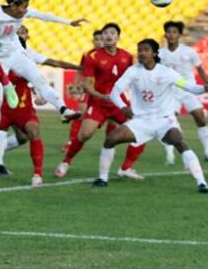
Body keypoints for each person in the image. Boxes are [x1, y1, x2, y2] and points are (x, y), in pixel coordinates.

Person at [0, 0, 87, 160]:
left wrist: (69, 22)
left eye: (26, 6)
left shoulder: (24, 12)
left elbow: (46, 16)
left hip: (15, 54)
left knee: (38, 79)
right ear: (12, 5)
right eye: (21, 7)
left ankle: (63, 109)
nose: (24, 10)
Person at [0, 25, 82, 175]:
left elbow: (49, 66)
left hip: (21, 106)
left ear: (28, 36)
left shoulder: (29, 55)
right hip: (3, 105)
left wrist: (77, 68)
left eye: (23, 31)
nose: (19, 33)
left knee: (23, 137)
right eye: (17, 31)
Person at [101, 38, 208, 193]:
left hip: (164, 121)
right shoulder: (133, 71)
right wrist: (123, 107)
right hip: (141, 121)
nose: (141, 53)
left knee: (179, 141)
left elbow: (190, 87)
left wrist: (204, 88)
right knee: (111, 139)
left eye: (146, 50)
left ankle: (201, 183)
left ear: (155, 53)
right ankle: (102, 178)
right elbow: (115, 92)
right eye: (139, 50)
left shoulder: (167, 72)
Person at [55, 23, 145, 180]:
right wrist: (100, 95)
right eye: (105, 33)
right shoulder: (93, 56)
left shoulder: (127, 57)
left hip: (119, 104)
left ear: (118, 37)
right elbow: (88, 84)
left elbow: (137, 78)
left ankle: (126, 167)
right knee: (85, 134)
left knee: (143, 131)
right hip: (99, 102)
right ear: (102, 37)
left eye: (112, 33)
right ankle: (66, 162)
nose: (108, 36)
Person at [159, 21, 208, 164]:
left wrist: (206, 83)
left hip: (188, 89)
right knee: (169, 120)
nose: (171, 34)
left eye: (174, 32)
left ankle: (206, 150)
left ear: (179, 34)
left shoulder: (189, 51)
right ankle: (170, 154)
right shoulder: (160, 54)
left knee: (200, 118)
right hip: (171, 91)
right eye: (168, 32)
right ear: (165, 34)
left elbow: (199, 68)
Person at [62, 30, 104, 153]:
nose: (99, 42)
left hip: (103, 91)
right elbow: (80, 71)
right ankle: (71, 141)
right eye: (96, 40)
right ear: (93, 41)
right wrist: (75, 85)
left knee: (106, 119)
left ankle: (108, 146)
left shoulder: (110, 55)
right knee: (80, 113)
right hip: (88, 88)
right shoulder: (87, 55)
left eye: (101, 39)